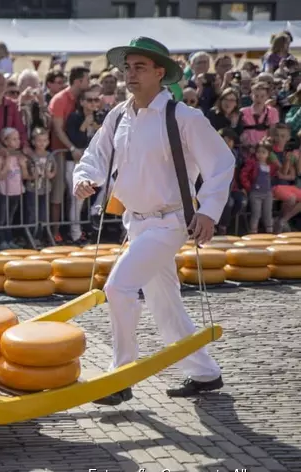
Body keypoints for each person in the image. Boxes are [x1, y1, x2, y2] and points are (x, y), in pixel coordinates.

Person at [72, 37, 235, 405]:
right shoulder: (117, 115)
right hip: (137, 224)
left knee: (118, 288)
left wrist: (208, 211)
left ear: (160, 72)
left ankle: (121, 376)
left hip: (170, 222)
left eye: (139, 67)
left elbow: (222, 164)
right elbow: (95, 155)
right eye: (127, 67)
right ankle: (204, 374)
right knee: (165, 303)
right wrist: (85, 178)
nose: (130, 74)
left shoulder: (183, 117)